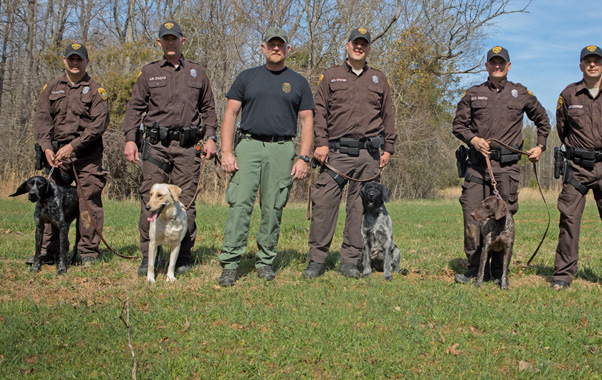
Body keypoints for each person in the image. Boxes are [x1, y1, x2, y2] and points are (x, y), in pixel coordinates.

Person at [217, 27, 314, 286]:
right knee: (240, 204)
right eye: (272, 44)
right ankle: (230, 263)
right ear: (263, 47)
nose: (276, 48)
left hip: (282, 149)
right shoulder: (247, 77)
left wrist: (303, 157)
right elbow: (230, 114)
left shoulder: (298, 82)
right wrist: (226, 152)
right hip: (249, 145)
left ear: (287, 49)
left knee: (273, 207)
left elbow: (306, 120)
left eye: (280, 45)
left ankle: (265, 261)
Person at [122, 21, 218, 277]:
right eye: (165, 39)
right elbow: (134, 108)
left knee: (185, 202)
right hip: (156, 147)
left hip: (188, 147)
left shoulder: (198, 72)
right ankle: (149, 256)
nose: (170, 43)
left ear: (182, 40)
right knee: (150, 200)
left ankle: (183, 255)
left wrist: (211, 137)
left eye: (174, 38)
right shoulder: (149, 72)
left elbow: (209, 109)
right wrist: (130, 139)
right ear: (159, 43)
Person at [302, 27, 397, 279]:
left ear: (368, 48)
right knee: (324, 205)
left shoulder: (379, 79)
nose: (359, 47)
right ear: (347, 45)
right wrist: (320, 142)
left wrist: (389, 148)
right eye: (355, 43)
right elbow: (319, 111)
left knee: (359, 210)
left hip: (368, 156)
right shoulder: (330, 76)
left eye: (364, 44)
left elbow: (388, 116)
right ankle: (316, 260)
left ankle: (350, 261)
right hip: (335, 153)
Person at [452, 46, 550, 284]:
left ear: (508, 66)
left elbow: (543, 121)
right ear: (486, 66)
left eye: (501, 63)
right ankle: (475, 269)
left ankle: (498, 272)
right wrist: (473, 140)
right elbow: (458, 125)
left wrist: (540, 146)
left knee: (503, 219)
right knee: (472, 217)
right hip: (476, 167)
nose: (497, 66)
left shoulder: (521, 93)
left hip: (507, 170)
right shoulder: (473, 94)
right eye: (492, 63)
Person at [550, 45, 602, 292]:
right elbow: (562, 129)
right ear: (581, 65)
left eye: (597, 61)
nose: (592, 65)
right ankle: (562, 276)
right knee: (569, 220)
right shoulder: (569, 95)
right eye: (587, 61)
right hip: (577, 166)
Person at [30, 42, 109, 266]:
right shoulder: (51, 88)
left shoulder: (95, 90)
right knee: (49, 201)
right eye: (71, 59)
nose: (75, 63)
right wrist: (47, 147)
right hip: (56, 157)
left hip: (86, 157)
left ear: (86, 62)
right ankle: (49, 251)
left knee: (88, 203)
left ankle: (87, 253)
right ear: (64, 60)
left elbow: (98, 124)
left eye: (79, 59)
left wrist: (73, 146)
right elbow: (42, 121)